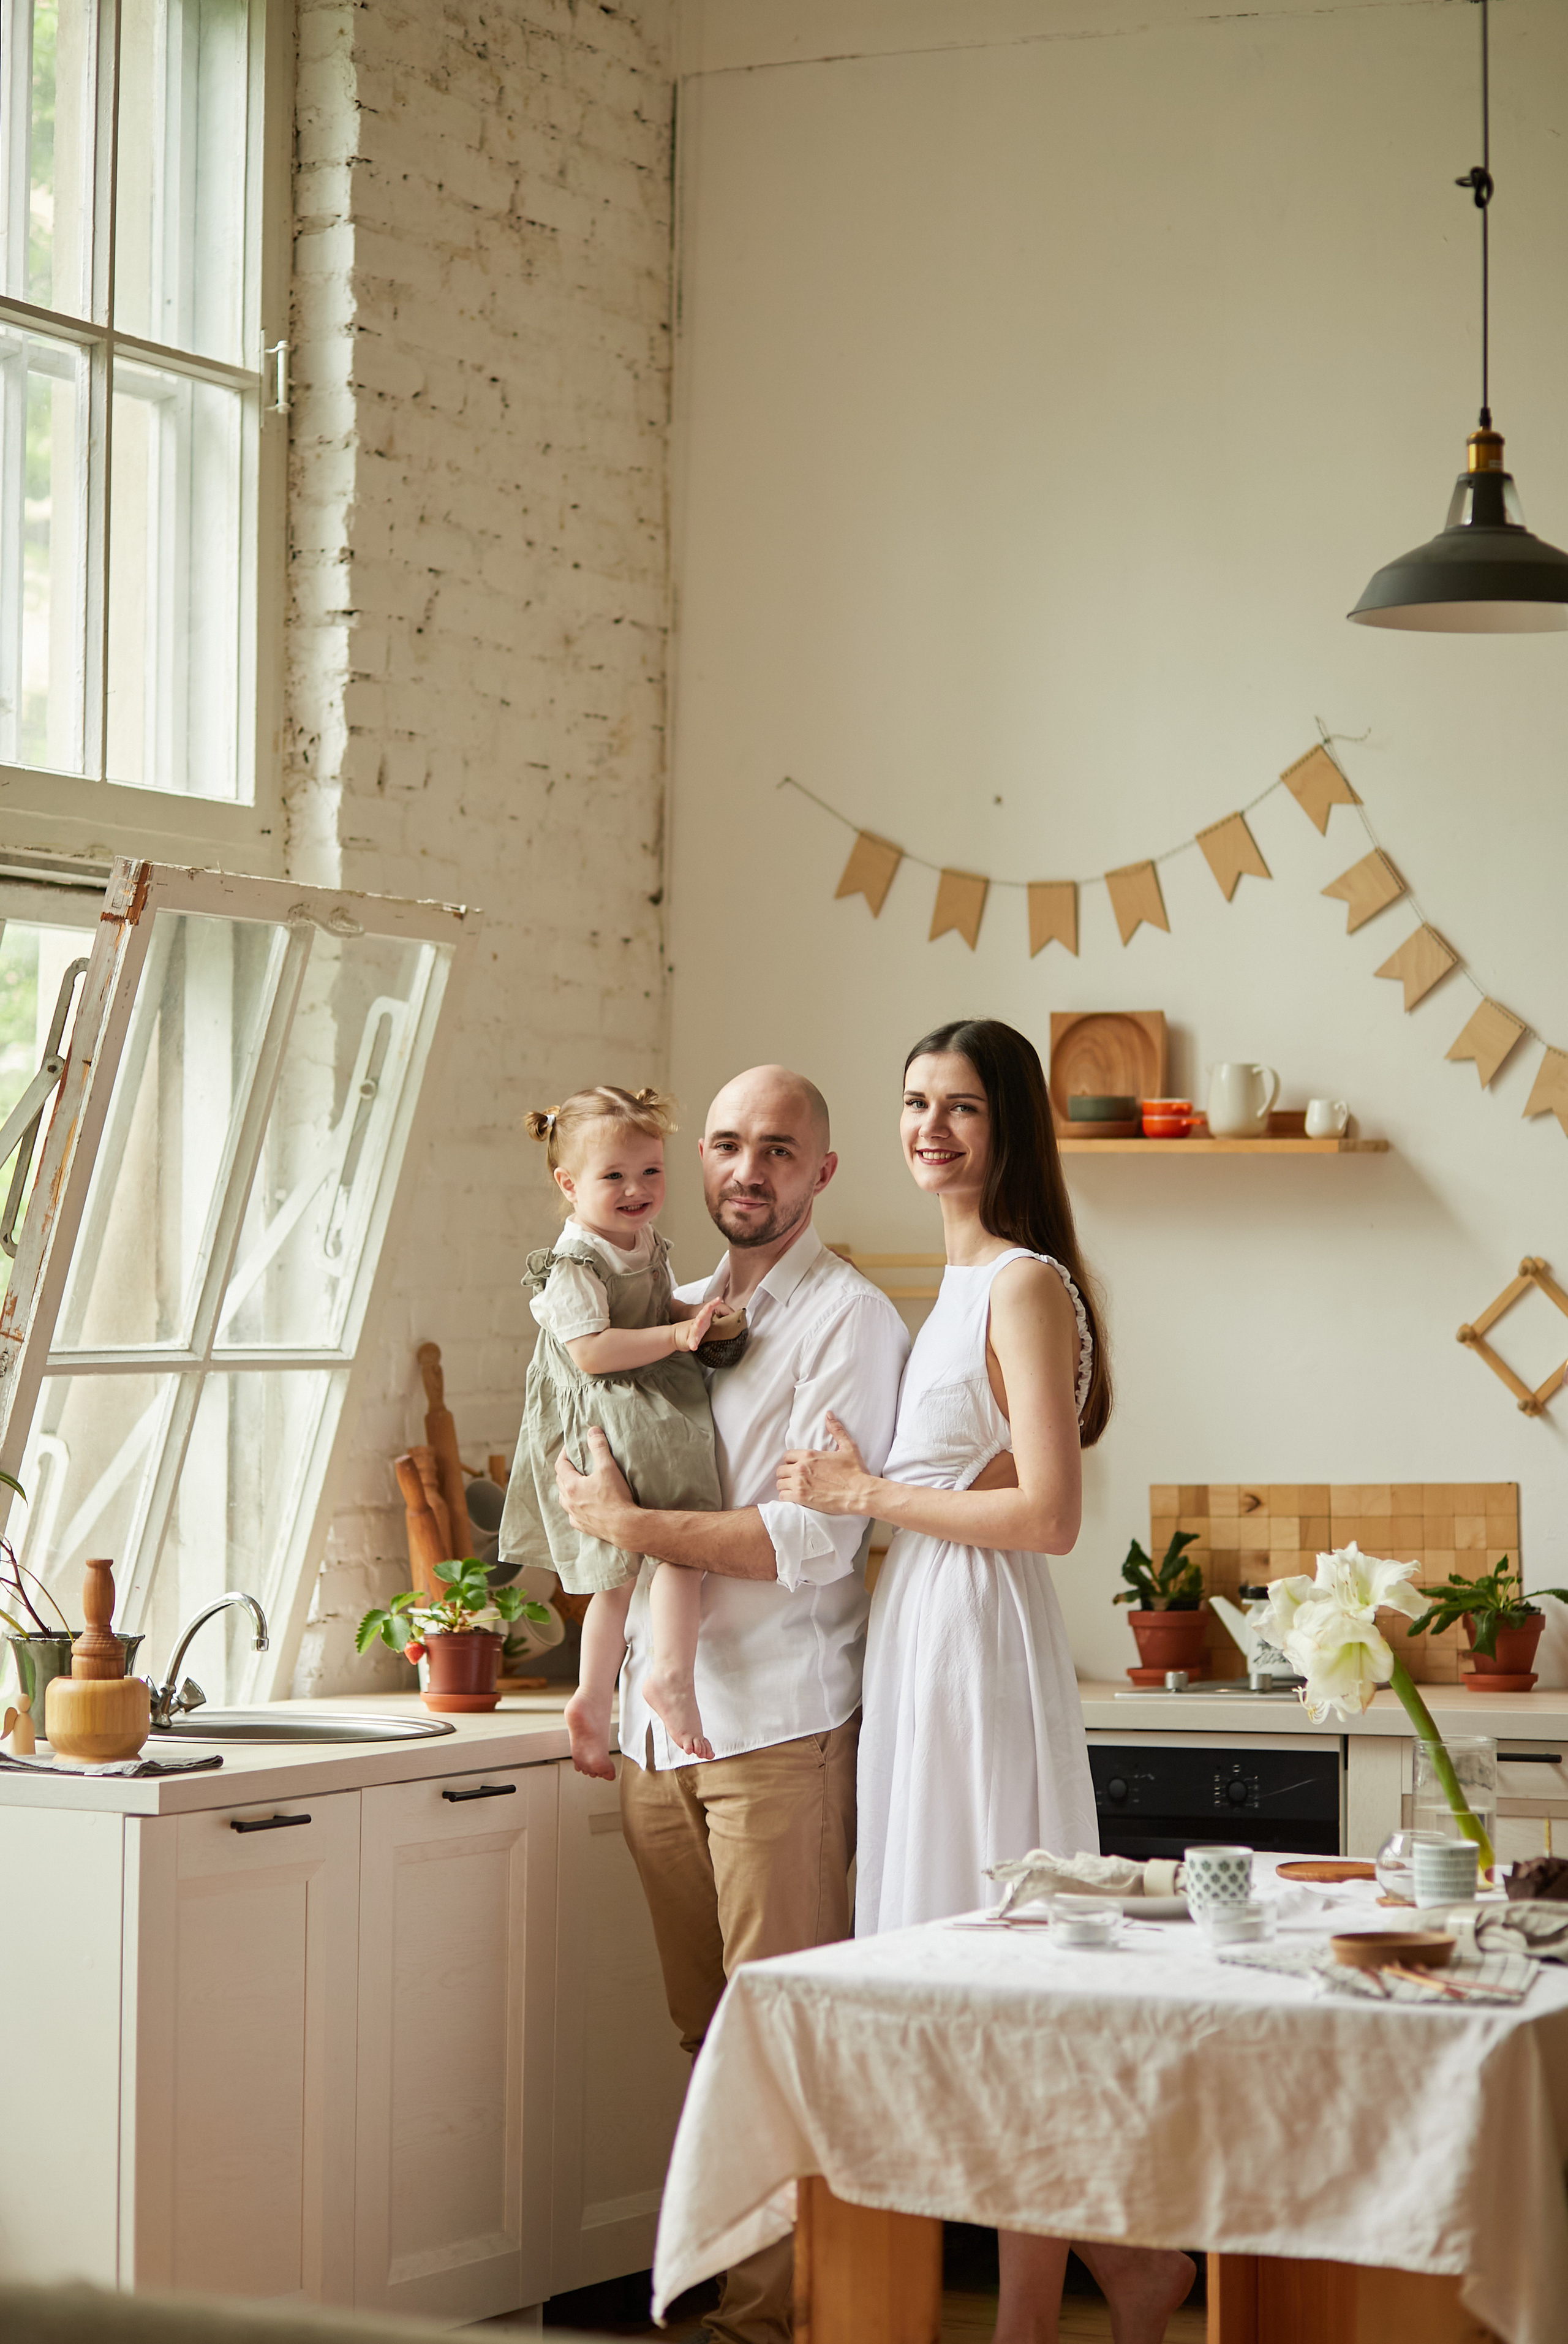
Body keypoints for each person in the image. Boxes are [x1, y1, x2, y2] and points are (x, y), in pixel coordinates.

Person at [775, 1019, 1195, 2344]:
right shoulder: (942, 1288)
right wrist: (855, 1481)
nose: (928, 1129)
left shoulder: (1022, 1282)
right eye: (911, 1103)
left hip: (979, 1639)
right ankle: (1120, 2280)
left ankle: (1049, 2309)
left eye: (958, 1106)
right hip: (921, 1636)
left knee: (1006, 1990)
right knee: (950, 1989)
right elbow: (945, 1480)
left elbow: (1048, 1515)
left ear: (1007, 1124)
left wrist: (865, 1489)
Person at [554, 1065, 909, 2344]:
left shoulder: (852, 1321)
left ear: (820, 1169)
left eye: (775, 1147)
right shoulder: (672, 1306)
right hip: (661, 1729)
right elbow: (593, 1476)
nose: (743, 1169)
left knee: (784, 2037)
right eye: (722, 1144)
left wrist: (632, 1522)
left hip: (775, 1727)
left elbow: (811, 1539)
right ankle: (726, 2301)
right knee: (706, 2034)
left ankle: (780, 2324)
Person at [499, 1084, 731, 1778]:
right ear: (569, 1185)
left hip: (634, 1397)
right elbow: (592, 1352)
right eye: (613, 1177)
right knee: (682, 1538)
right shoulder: (573, 1262)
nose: (636, 1190)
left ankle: (592, 1698)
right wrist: (675, 1335)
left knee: (615, 1579)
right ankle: (670, 1674)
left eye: (650, 1172)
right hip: (605, 1407)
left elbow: (654, 1303)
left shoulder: (640, 1241)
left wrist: (693, 1313)